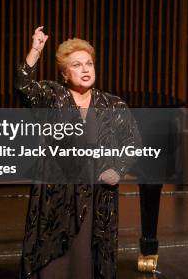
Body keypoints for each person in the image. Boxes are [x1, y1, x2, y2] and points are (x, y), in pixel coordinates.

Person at [17, 27, 141, 279]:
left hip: (96, 194)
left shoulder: (112, 104)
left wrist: (118, 169)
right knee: (54, 260)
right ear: (64, 73)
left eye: (89, 64)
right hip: (56, 194)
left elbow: (133, 141)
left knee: (86, 258)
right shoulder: (54, 97)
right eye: (77, 65)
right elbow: (23, 87)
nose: (85, 70)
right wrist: (36, 50)